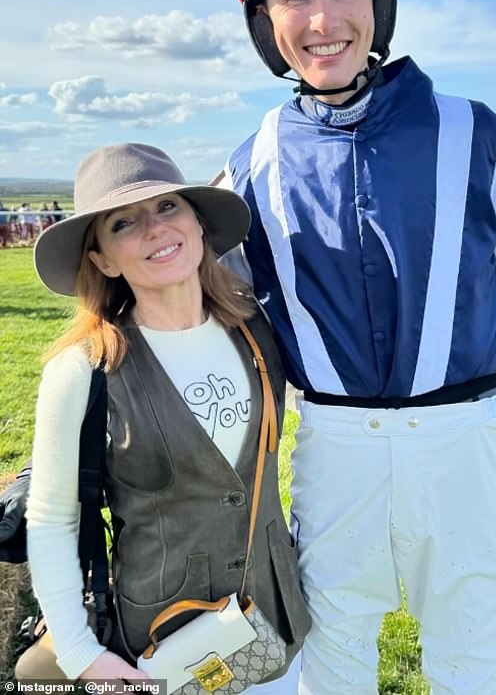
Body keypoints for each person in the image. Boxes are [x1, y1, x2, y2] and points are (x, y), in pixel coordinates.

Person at [212, 0, 496, 695]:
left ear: (379, 1)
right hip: (331, 456)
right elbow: (195, 327)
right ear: (264, 22)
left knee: (471, 667)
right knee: (332, 669)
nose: (323, 19)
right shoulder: (251, 162)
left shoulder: (478, 133)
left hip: (463, 448)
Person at [15, 143, 310, 687]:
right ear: (102, 259)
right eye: (124, 223)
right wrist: (81, 654)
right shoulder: (84, 369)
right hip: (157, 641)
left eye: (169, 207)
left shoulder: (257, 331)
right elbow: (53, 519)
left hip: (273, 619)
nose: (155, 229)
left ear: (198, 225)